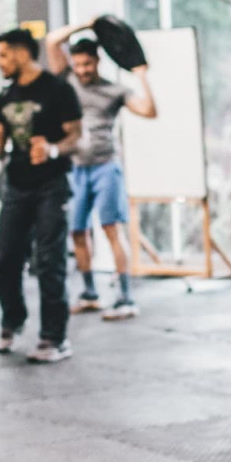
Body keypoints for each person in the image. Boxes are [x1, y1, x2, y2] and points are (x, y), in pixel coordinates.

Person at [0, 28, 82, 363]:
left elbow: (77, 137)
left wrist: (52, 149)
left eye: (3, 55)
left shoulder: (58, 89)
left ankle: (55, 338)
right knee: (6, 259)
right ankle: (12, 321)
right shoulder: (5, 96)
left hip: (51, 186)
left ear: (21, 53)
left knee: (49, 261)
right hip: (17, 186)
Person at [46, 24, 157, 321]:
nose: (82, 69)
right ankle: (89, 293)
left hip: (106, 167)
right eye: (78, 64)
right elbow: (53, 40)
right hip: (75, 168)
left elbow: (149, 111)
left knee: (111, 231)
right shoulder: (67, 80)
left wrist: (141, 74)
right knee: (77, 232)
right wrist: (91, 23)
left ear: (97, 61)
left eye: (88, 63)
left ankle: (125, 297)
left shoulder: (114, 90)